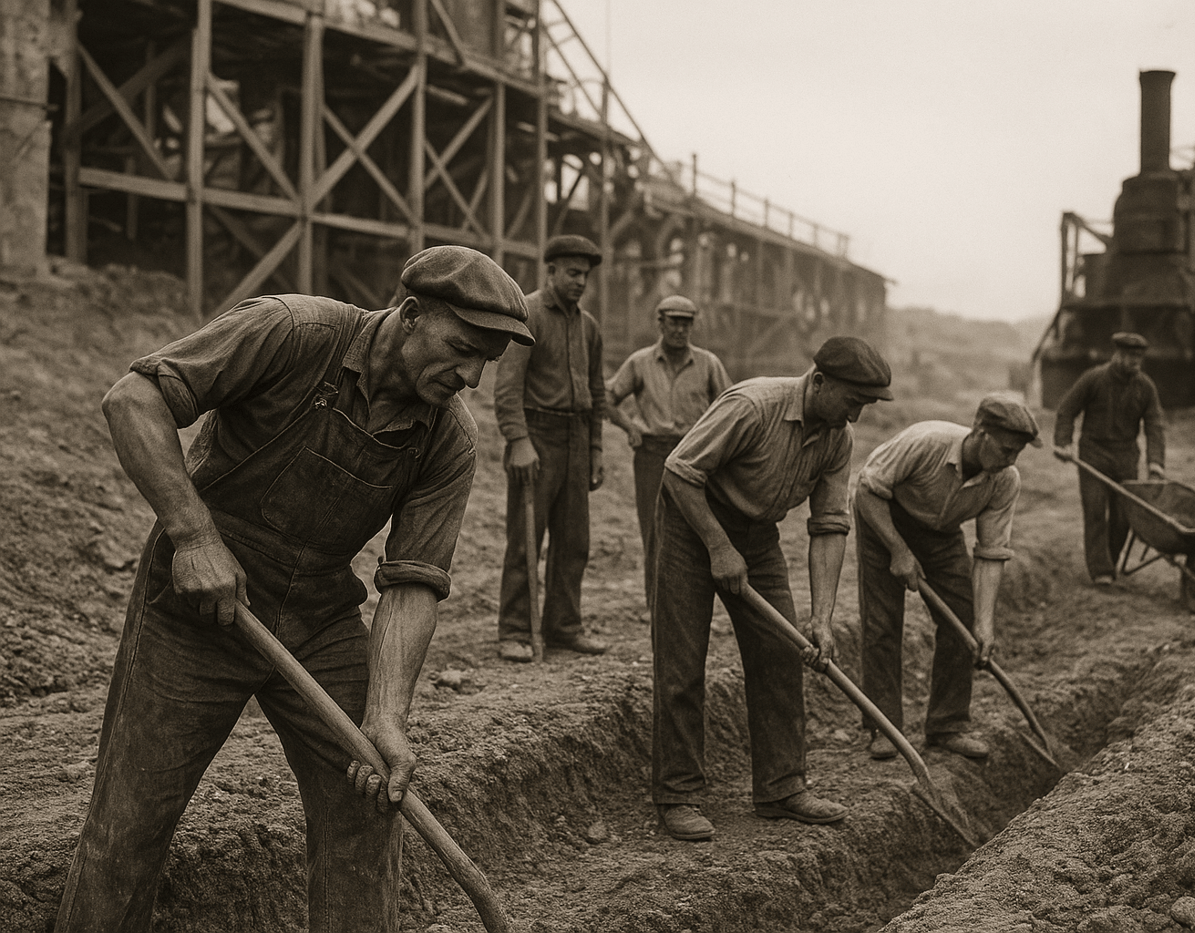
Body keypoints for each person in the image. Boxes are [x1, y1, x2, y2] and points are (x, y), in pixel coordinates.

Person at [55, 246, 533, 933]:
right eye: (462, 349)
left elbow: (412, 583)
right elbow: (133, 398)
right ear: (409, 314)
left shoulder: (448, 434)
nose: (473, 378)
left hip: (317, 617)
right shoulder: (292, 331)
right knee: (129, 823)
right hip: (194, 609)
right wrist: (193, 534)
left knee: (368, 799)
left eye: (487, 361)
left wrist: (387, 714)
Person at [650, 335, 893, 841]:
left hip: (757, 536)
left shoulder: (836, 438)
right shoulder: (753, 406)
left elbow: (828, 524)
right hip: (690, 522)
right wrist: (718, 546)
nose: (855, 417)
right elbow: (679, 471)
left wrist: (821, 617)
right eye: (852, 402)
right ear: (820, 382)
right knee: (682, 662)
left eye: (865, 407)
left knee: (782, 654)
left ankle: (781, 787)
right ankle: (678, 794)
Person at [854, 392, 1039, 762]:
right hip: (884, 517)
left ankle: (947, 725)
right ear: (980, 431)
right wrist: (899, 550)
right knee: (882, 624)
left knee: (963, 623)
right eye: (1005, 450)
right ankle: (883, 726)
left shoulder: (1004, 480)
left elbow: (990, 553)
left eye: (1017, 453)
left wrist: (984, 625)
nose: (1010, 461)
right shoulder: (925, 443)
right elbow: (866, 491)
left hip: (942, 533)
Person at [494, 234, 609, 662]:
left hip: (577, 439)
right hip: (536, 438)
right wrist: (519, 441)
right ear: (552, 271)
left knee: (574, 541)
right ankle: (515, 631)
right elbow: (507, 389)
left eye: (586, 275)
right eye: (573, 273)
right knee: (526, 539)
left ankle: (563, 626)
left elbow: (597, 391)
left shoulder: (589, 325)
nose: (580, 282)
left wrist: (596, 450)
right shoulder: (528, 315)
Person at [606, 295, 731, 606]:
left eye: (686, 323)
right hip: (652, 455)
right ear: (659, 323)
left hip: (695, 457)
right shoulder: (639, 362)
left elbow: (730, 407)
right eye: (674, 322)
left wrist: (713, 444)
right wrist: (630, 427)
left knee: (697, 527)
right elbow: (607, 398)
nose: (680, 329)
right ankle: (657, 603)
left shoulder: (708, 364)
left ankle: (691, 602)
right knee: (654, 529)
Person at [1052, 331, 1166, 585]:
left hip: (1126, 457)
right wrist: (1063, 443)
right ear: (1118, 354)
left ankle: (1109, 563)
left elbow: (1155, 425)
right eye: (1130, 356)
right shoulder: (1094, 379)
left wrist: (1155, 463)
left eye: (1139, 357)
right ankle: (1101, 571)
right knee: (1095, 511)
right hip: (1094, 454)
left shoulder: (1145, 387)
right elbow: (1067, 410)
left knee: (1124, 517)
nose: (1135, 362)